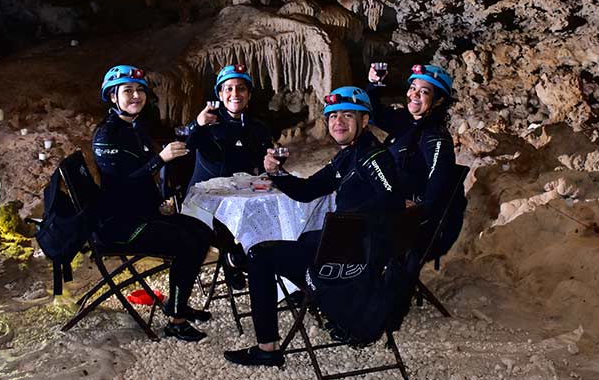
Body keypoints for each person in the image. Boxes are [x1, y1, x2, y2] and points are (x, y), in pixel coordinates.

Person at [223, 86, 405, 367]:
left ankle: (267, 348)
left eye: (347, 115)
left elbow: (392, 202)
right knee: (299, 240)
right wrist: (276, 174)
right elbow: (309, 190)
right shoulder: (350, 155)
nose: (338, 122)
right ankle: (248, 262)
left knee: (260, 256)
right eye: (333, 117)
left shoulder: (373, 156)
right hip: (350, 251)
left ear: (365, 120)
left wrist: (351, 227)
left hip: (351, 261)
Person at [92, 64, 213, 342]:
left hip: (142, 213)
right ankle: (176, 321)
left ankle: (176, 304)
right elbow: (123, 181)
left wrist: (196, 125)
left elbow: (170, 145)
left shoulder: (136, 127)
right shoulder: (106, 136)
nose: (136, 96)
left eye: (139, 90)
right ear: (113, 97)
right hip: (118, 225)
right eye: (127, 91)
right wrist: (160, 159)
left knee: (202, 232)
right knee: (185, 241)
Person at [185, 63, 273, 287]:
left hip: (243, 195)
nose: (235, 94)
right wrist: (196, 125)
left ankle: (272, 268)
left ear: (249, 94)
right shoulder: (208, 123)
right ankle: (233, 255)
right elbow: (181, 146)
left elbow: (263, 166)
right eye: (229, 89)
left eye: (241, 88)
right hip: (206, 200)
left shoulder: (258, 127)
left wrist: (272, 165)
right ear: (220, 94)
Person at [367, 63, 464, 259]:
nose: (414, 94)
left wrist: (419, 211)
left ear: (438, 101)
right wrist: (374, 85)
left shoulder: (434, 135)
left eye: (424, 92)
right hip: (389, 211)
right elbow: (371, 113)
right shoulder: (407, 122)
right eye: (412, 88)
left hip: (410, 227)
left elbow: (440, 180)